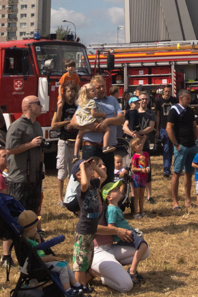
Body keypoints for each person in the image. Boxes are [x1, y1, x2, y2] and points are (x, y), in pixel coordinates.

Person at [2, 95, 45, 269]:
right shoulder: (17, 126)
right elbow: (9, 149)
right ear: (28, 106)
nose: (41, 106)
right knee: (15, 218)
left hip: (34, 178)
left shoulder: (37, 126)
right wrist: (30, 144)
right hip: (19, 179)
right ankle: (6, 256)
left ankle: (28, 251)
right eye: (38, 104)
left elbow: (39, 148)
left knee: (31, 218)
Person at [70, 157, 109, 290]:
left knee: (86, 261)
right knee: (80, 263)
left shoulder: (94, 184)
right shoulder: (81, 188)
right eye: (87, 167)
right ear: (79, 175)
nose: (90, 167)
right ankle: (77, 288)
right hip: (83, 231)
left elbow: (104, 175)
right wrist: (81, 166)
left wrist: (94, 166)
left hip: (91, 231)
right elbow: (84, 183)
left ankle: (83, 285)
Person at [101, 179, 148, 283]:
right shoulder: (112, 209)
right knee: (143, 246)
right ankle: (132, 271)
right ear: (109, 197)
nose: (119, 190)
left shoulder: (115, 208)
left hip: (127, 233)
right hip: (125, 235)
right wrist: (120, 232)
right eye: (116, 190)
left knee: (142, 246)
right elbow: (110, 227)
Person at [163, 90, 198, 210]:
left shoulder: (190, 110)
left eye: (189, 98)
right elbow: (169, 128)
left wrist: (196, 141)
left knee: (189, 173)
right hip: (181, 146)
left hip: (191, 146)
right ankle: (175, 202)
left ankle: (188, 200)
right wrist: (176, 144)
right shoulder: (174, 110)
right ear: (181, 98)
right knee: (177, 173)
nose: (189, 100)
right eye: (187, 98)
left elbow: (194, 126)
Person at [50, 84, 79, 207]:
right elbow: (54, 125)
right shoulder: (61, 106)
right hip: (64, 141)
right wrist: (68, 121)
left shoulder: (78, 106)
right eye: (68, 91)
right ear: (64, 93)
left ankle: (70, 195)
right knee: (62, 170)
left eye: (72, 90)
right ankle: (60, 198)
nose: (70, 93)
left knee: (73, 171)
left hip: (75, 142)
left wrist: (75, 124)